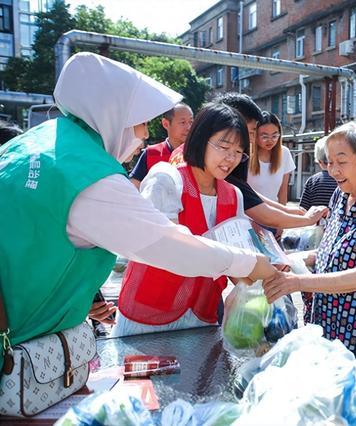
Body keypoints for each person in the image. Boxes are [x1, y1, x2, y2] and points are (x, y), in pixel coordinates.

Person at [0, 53, 276, 370]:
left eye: (238, 151)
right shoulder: (89, 176)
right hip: (21, 338)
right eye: (141, 122)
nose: (144, 135)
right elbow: (168, 246)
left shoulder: (38, 144)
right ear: (112, 115)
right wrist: (252, 262)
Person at [262, 121, 356, 377]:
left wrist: (297, 283)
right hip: (326, 326)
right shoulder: (341, 196)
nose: (334, 170)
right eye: (329, 162)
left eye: (342, 161)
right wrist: (289, 260)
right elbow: (331, 252)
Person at [113, 103, 253, 336]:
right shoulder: (166, 179)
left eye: (239, 152)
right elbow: (161, 247)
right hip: (148, 317)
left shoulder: (233, 195)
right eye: (224, 146)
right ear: (200, 139)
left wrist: (265, 283)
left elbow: (237, 260)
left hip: (201, 317)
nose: (231, 158)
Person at [170, 93, 327, 229]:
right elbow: (261, 212)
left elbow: (245, 193)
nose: (250, 140)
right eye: (250, 132)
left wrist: (288, 211)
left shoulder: (226, 170)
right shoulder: (167, 180)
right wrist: (306, 219)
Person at [129, 103, 193, 188]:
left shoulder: (199, 154)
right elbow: (134, 186)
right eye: (183, 122)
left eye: (191, 122)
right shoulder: (151, 153)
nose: (189, 127)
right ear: (165, 124)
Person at [248, 111, 296, 205]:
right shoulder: (246, 155)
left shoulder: (284, 153)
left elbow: (283, 192)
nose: (270, 140)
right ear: (255, 135)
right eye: (264, 136)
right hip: (249, 214)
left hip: (274, 213)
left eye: (274, 136)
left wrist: (283, 215)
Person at [299, 136, 338, 210]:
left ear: (319, 161)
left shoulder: (312, 181)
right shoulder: (342, 180)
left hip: (315, 220)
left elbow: (303, 209)